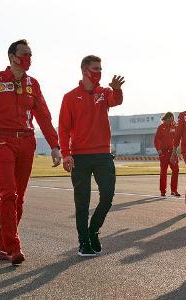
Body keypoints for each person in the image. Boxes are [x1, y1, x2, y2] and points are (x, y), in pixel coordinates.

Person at [0, 39, 61, 265]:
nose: (28, 58)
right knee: (8, 192)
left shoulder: (33, 84)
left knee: (19, 198)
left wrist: (54, 145)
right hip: (1, 139)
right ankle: (14, 247)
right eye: (24, 54)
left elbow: (43, 116)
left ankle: (4, 245)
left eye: (31, 54)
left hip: (27, 141)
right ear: (12, 56)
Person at [59, 55, 125, 257]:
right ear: (84, 70)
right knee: (82, 201)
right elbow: (63, 128)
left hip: (103, 155)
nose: (99, 72)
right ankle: (83, 242)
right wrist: (65, 154)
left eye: (101, 69)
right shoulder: (70, 97)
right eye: (95, 69)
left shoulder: (104, 93)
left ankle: (93, 230)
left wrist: (117, 89)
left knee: (107, 196)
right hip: (80, 157)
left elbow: (117, 100)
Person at [154, 112, 180, 197]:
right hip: (164, 153)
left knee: (175, 170)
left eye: (173, 118)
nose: (172, 120)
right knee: (163, 171)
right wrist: (159, 151)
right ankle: (163, 190)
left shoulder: (174, 127)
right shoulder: (161, 127)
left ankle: (174, 190)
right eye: (170, 118)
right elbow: (156, 140)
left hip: (172, 152)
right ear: (167, 118)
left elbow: (178, 137)